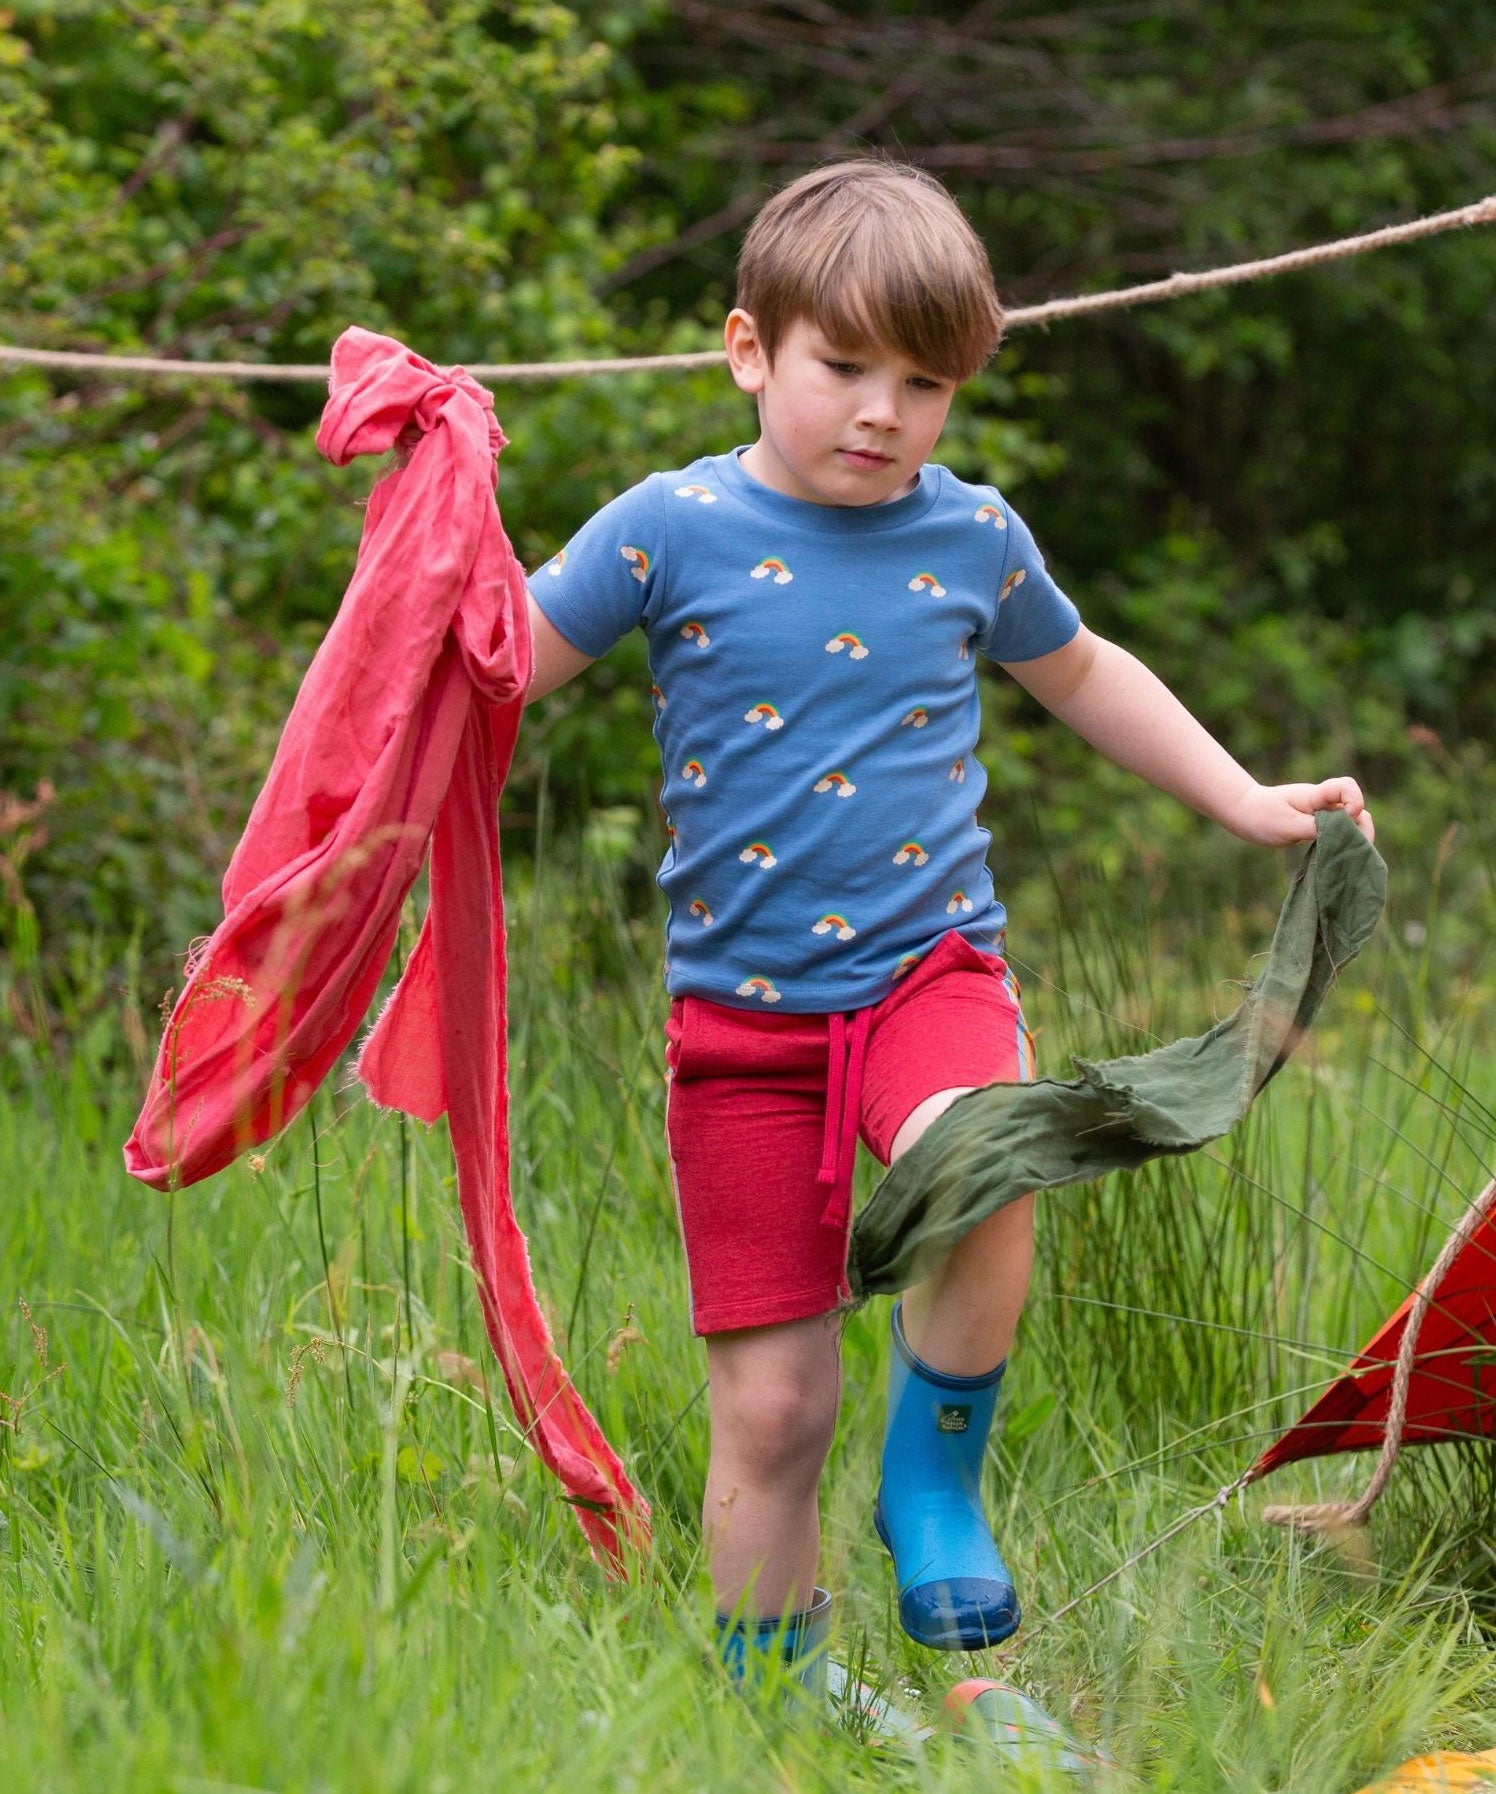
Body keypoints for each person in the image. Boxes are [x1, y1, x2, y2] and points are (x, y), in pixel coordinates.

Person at [522, 159, 1374, 1685]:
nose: (880, 411)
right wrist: (418, 559)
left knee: (986, 1155)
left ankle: (935, 1482)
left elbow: (1090, 672)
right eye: (842, 366)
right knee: (772, 1410)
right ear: (747, 349)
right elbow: (493, 664)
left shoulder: (969, 535)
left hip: (932, 974)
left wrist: (1245, 797)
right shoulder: (666, 528)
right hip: (740, 1033)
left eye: (923, 383)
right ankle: (777, 1694)